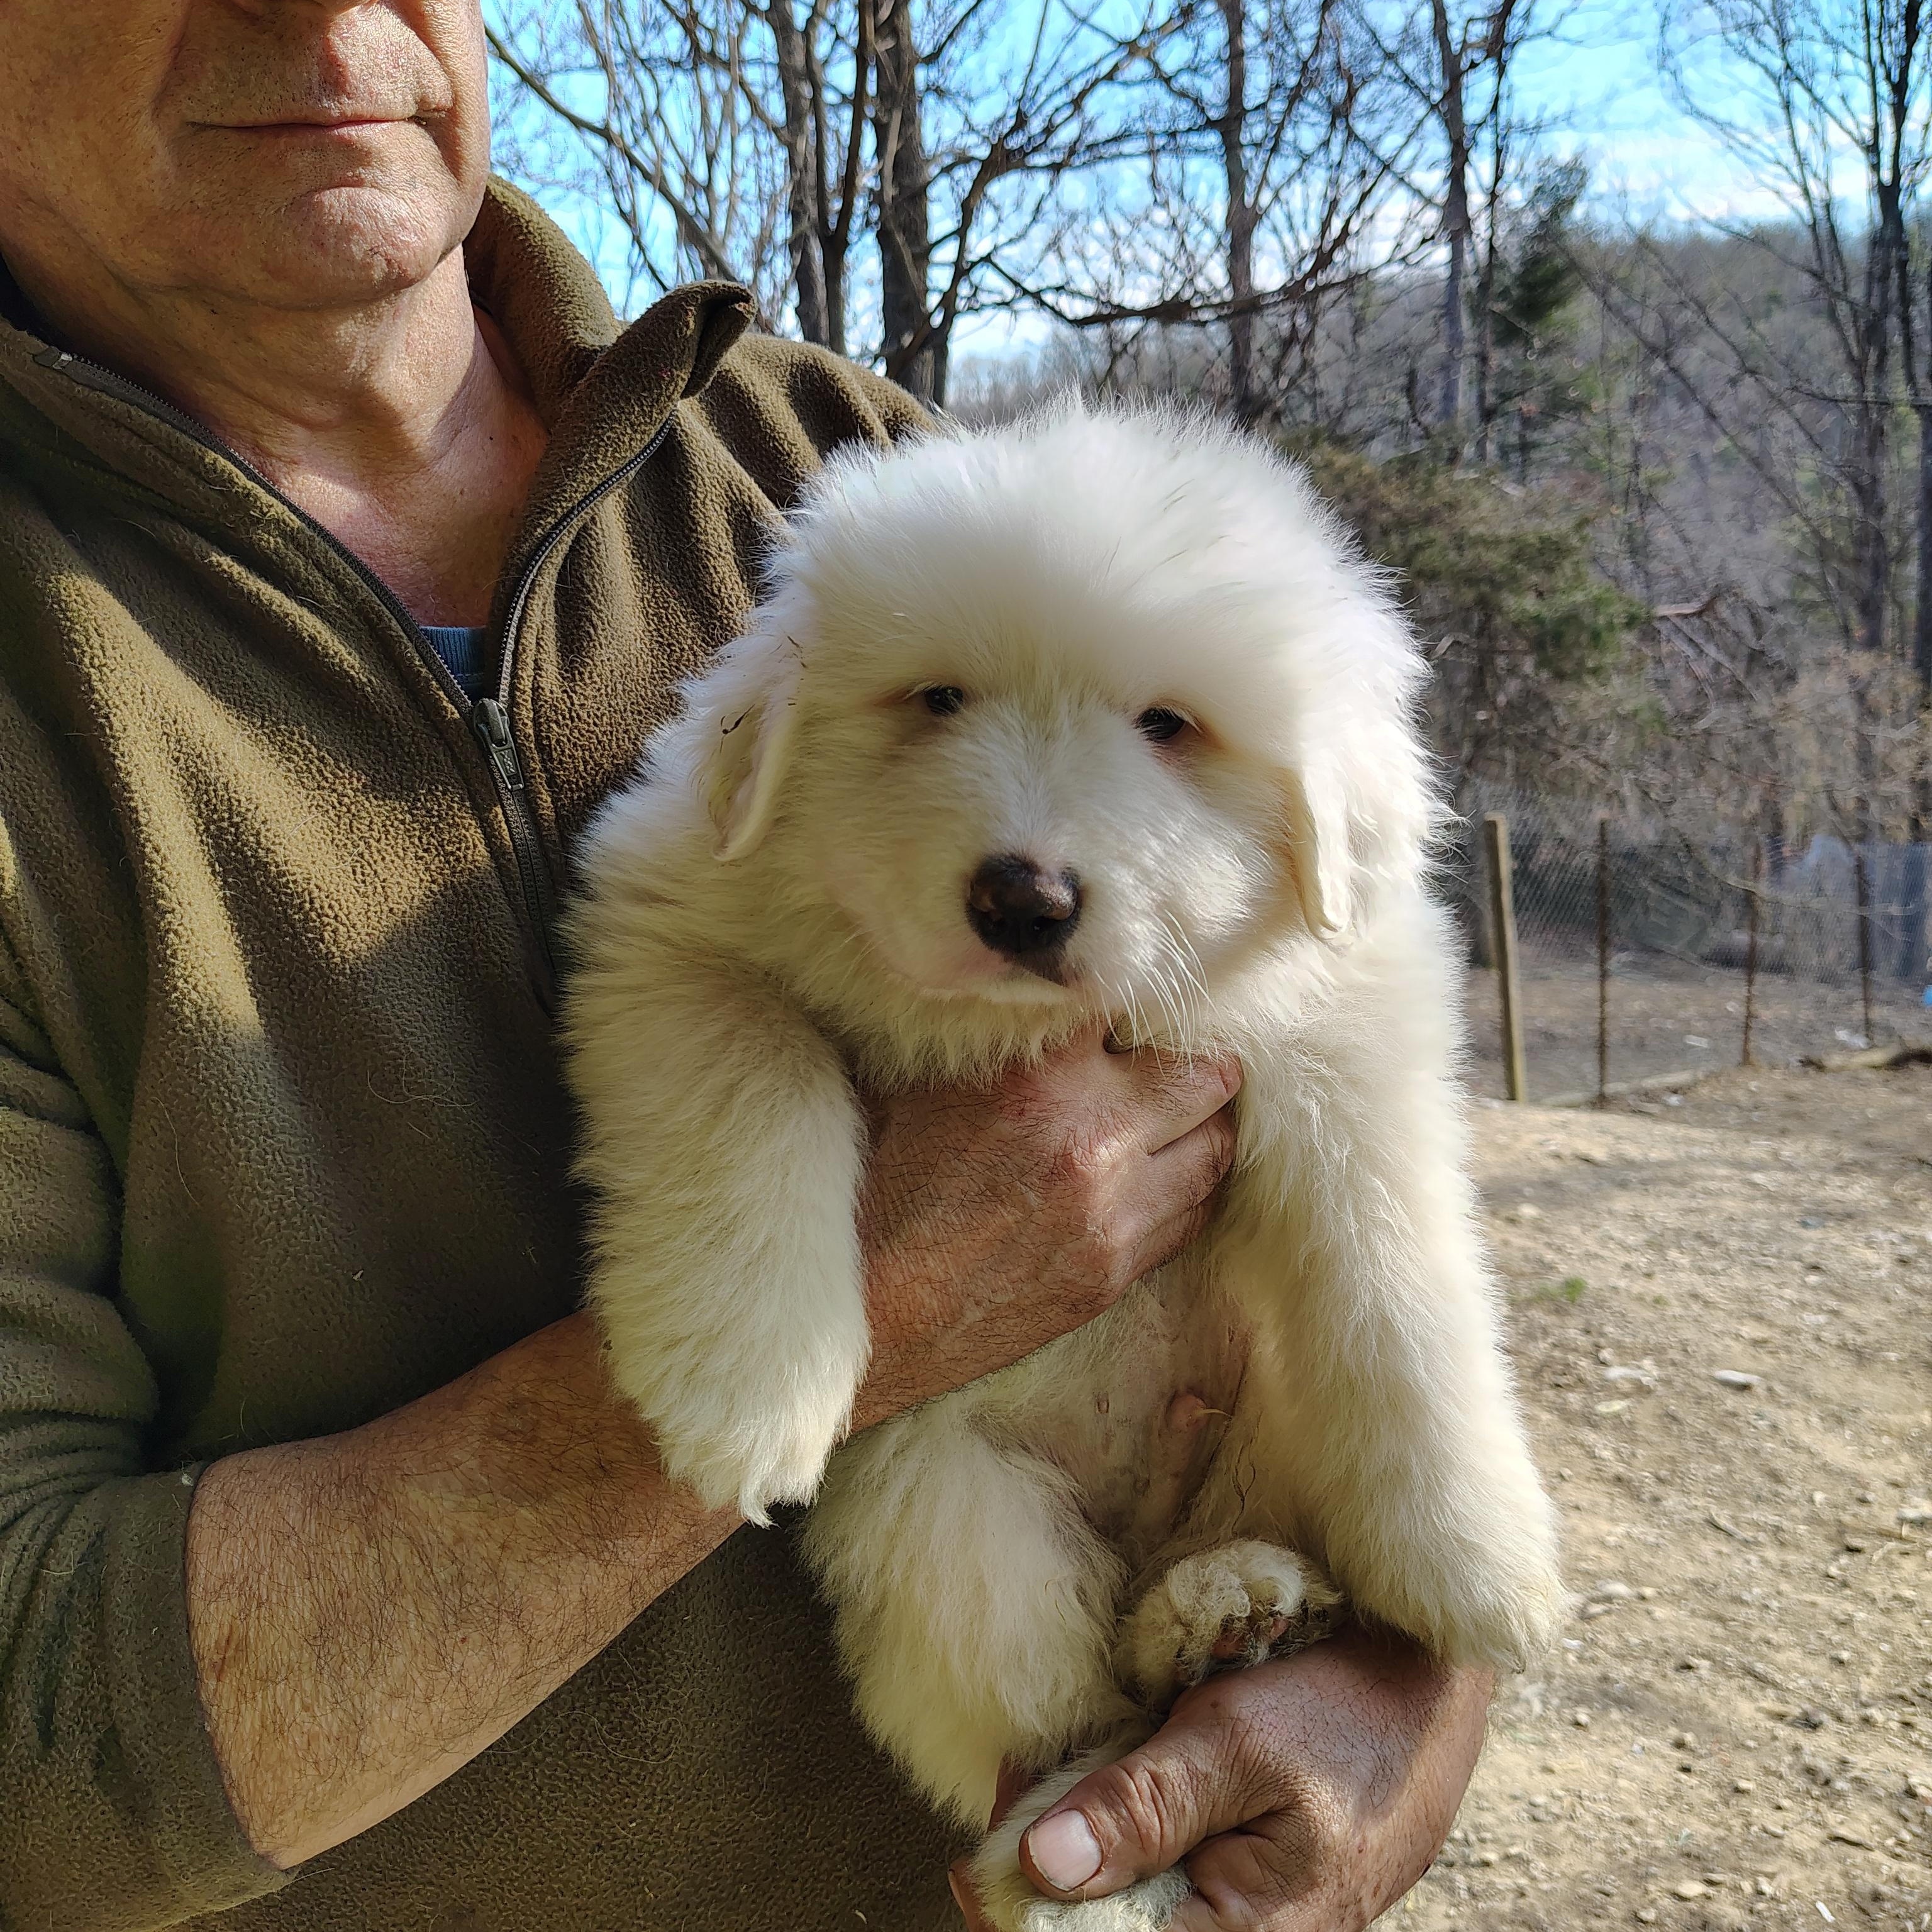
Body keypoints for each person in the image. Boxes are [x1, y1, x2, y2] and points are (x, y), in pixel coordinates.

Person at [0, 3, 1493, 1928]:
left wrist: (1412, 1676)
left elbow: (1333, 1013)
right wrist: (849, 1316)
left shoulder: (850, 474)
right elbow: (35, 1767)